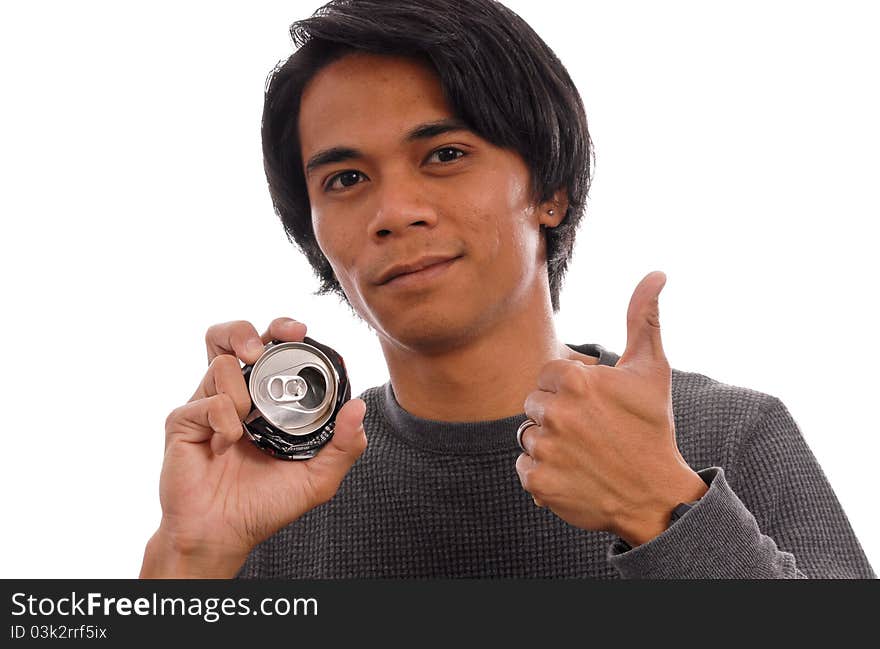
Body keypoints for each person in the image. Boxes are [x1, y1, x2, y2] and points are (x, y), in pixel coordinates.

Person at [140, 0, 875, 579]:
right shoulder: (279, 493)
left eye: (446, 154)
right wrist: (190, 555)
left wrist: (665, 510)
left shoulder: (729, 435)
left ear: (550, 187)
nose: (395, 212)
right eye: (346, 179)